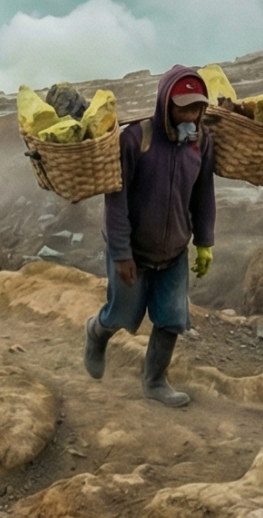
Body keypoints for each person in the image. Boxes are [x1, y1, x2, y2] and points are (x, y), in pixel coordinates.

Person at [84, 67, 217, 409]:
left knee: (172, 317)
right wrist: (121, 253)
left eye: (196, 108)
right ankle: (97, 332)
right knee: (122, 314)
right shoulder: (135, 139)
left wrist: (204, 242)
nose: (190, 114)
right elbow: (116, 198)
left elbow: (204, 194)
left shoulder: (201, 141)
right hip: (134, 251)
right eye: (182, 107)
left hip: (174, 250)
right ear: (164, 103)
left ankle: (155, 381)